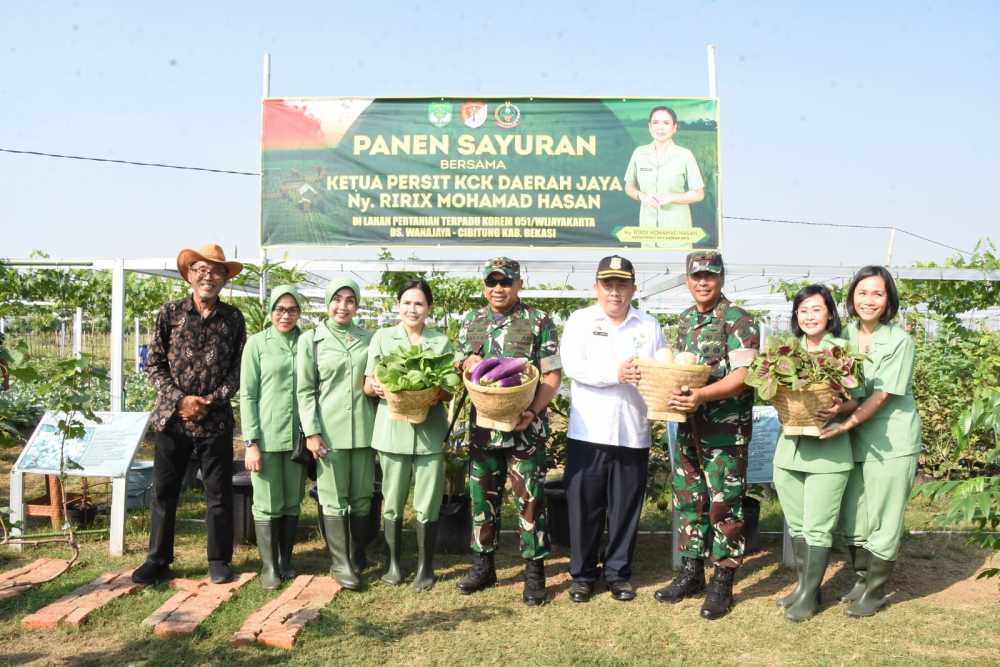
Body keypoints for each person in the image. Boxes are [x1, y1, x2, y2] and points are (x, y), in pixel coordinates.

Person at [132, 243, 246, 585]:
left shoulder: (233, 318)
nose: (208, 276)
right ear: (189, 275)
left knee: (219, 494)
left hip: (215, 420)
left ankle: (218, 559)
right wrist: (181, 400)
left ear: (224, 279)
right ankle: (158, 558)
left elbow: (238, 370)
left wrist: (209, 401)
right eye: (201, 270)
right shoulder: (170, 314)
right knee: (165, 491)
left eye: (215, 271)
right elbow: (153, 364)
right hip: (173, 417)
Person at [654, 250, 759, 620]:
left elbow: (742, 376)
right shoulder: (685, 321)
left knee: (724, 505)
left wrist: (701, 395)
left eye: (710, 276)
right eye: (696, 276)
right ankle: (691, 572)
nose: (703, 282)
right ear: (687, 280)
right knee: (690, 501)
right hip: (688, 427)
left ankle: (722, 582)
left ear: (721, 278)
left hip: (724, 431)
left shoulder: (739, 319)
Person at [454, 257, 562, 606]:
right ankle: (483, 566)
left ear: (518, 285)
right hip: (484, 428)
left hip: (525, 430)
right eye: (492, 282)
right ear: (484, 285)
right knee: (481, 496)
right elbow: (461, 365)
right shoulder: (472, 320)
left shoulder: (539, 321)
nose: (498, 288)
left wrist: (532, 411)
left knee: (530, 499)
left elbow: (551, 376)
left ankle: (534, 572)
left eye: (505, 282)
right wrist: (465, 362)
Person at [560, 255, 665, 603]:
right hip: (588, 432)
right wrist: (615, 374)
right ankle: (583, 575)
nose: (615, 292)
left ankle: (618, 573)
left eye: (622, 284)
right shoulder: (580, 321)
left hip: (632, 431)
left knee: (625, 508)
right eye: (608, 284)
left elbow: (661, 370)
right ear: (596, 287)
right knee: (584, 507)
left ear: (634, 288)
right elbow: (574, 366)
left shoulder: (648, 326)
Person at [820, 266, 921, 617]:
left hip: (891, 440)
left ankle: (877, 590)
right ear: (851, 298)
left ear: (889, 299)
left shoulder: (898, 340)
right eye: (863, 293)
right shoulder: (842, 336)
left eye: (878, 293)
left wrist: (845, 422)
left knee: (884, 515)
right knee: (854, 513)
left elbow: (881, 396)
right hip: (853, 438)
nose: (869, 300)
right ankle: (862, 577)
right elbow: (841, 386)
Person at [772, 284, 861, 622]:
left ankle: (809, 597)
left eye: (816, 309)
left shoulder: (842, 350)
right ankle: (803, 586)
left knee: (818, 527)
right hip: (789, 451)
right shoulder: (786, 351)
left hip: (828, 451)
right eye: (803, 310)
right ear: (796, 316)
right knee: (797, 525)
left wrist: (839, 408)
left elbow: (858, 398)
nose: (809, 316)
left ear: (829, 313)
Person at [364, 279, 452, 591]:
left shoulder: (440, 342)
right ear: (397, 306)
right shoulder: (382, 338)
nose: (412, 309)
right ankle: (392, 566)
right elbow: (368, 384)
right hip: (391, 431)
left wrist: (434, 391)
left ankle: (425, 569)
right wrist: (375, 386)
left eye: (419, 304)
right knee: (393, 500)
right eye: (407, 303)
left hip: (430, 434)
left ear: (428, 308)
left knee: (427, 503)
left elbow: (448, 390)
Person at [296, 276, 376, 591]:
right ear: (328, 302)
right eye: (337, 299)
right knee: (332, 498)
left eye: (350, 300)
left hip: (364, 432)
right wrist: (312, 432)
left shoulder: (369, 339)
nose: (343, 306)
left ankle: (356, 556)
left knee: (362, 498)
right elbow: (305, 391)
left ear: (356, 305)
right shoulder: (311, 341)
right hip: (329, 432)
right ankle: (339, 563)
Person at [239, 285, 308, 590]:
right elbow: (248, 395)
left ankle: (285, 560)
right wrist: (251, 442)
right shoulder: (257, 345)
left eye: (292, 310)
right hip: (266, 437)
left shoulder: (307, 341)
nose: (286, 315)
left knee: (292, 500)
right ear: (270, 311)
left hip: (298, 437)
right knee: (267, 502)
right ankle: (268, 566)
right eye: (280, 309)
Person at [624, 106, 705, 248]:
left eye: (666, 123)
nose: (660, 127)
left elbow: (699, 194)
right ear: (649, 127)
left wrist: (671, 198)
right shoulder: (639, 153)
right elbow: (628, 186)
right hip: (647, 235)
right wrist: (641, 196)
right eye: (655, 122)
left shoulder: (685, 155)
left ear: (674, 127)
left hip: (677, 236)